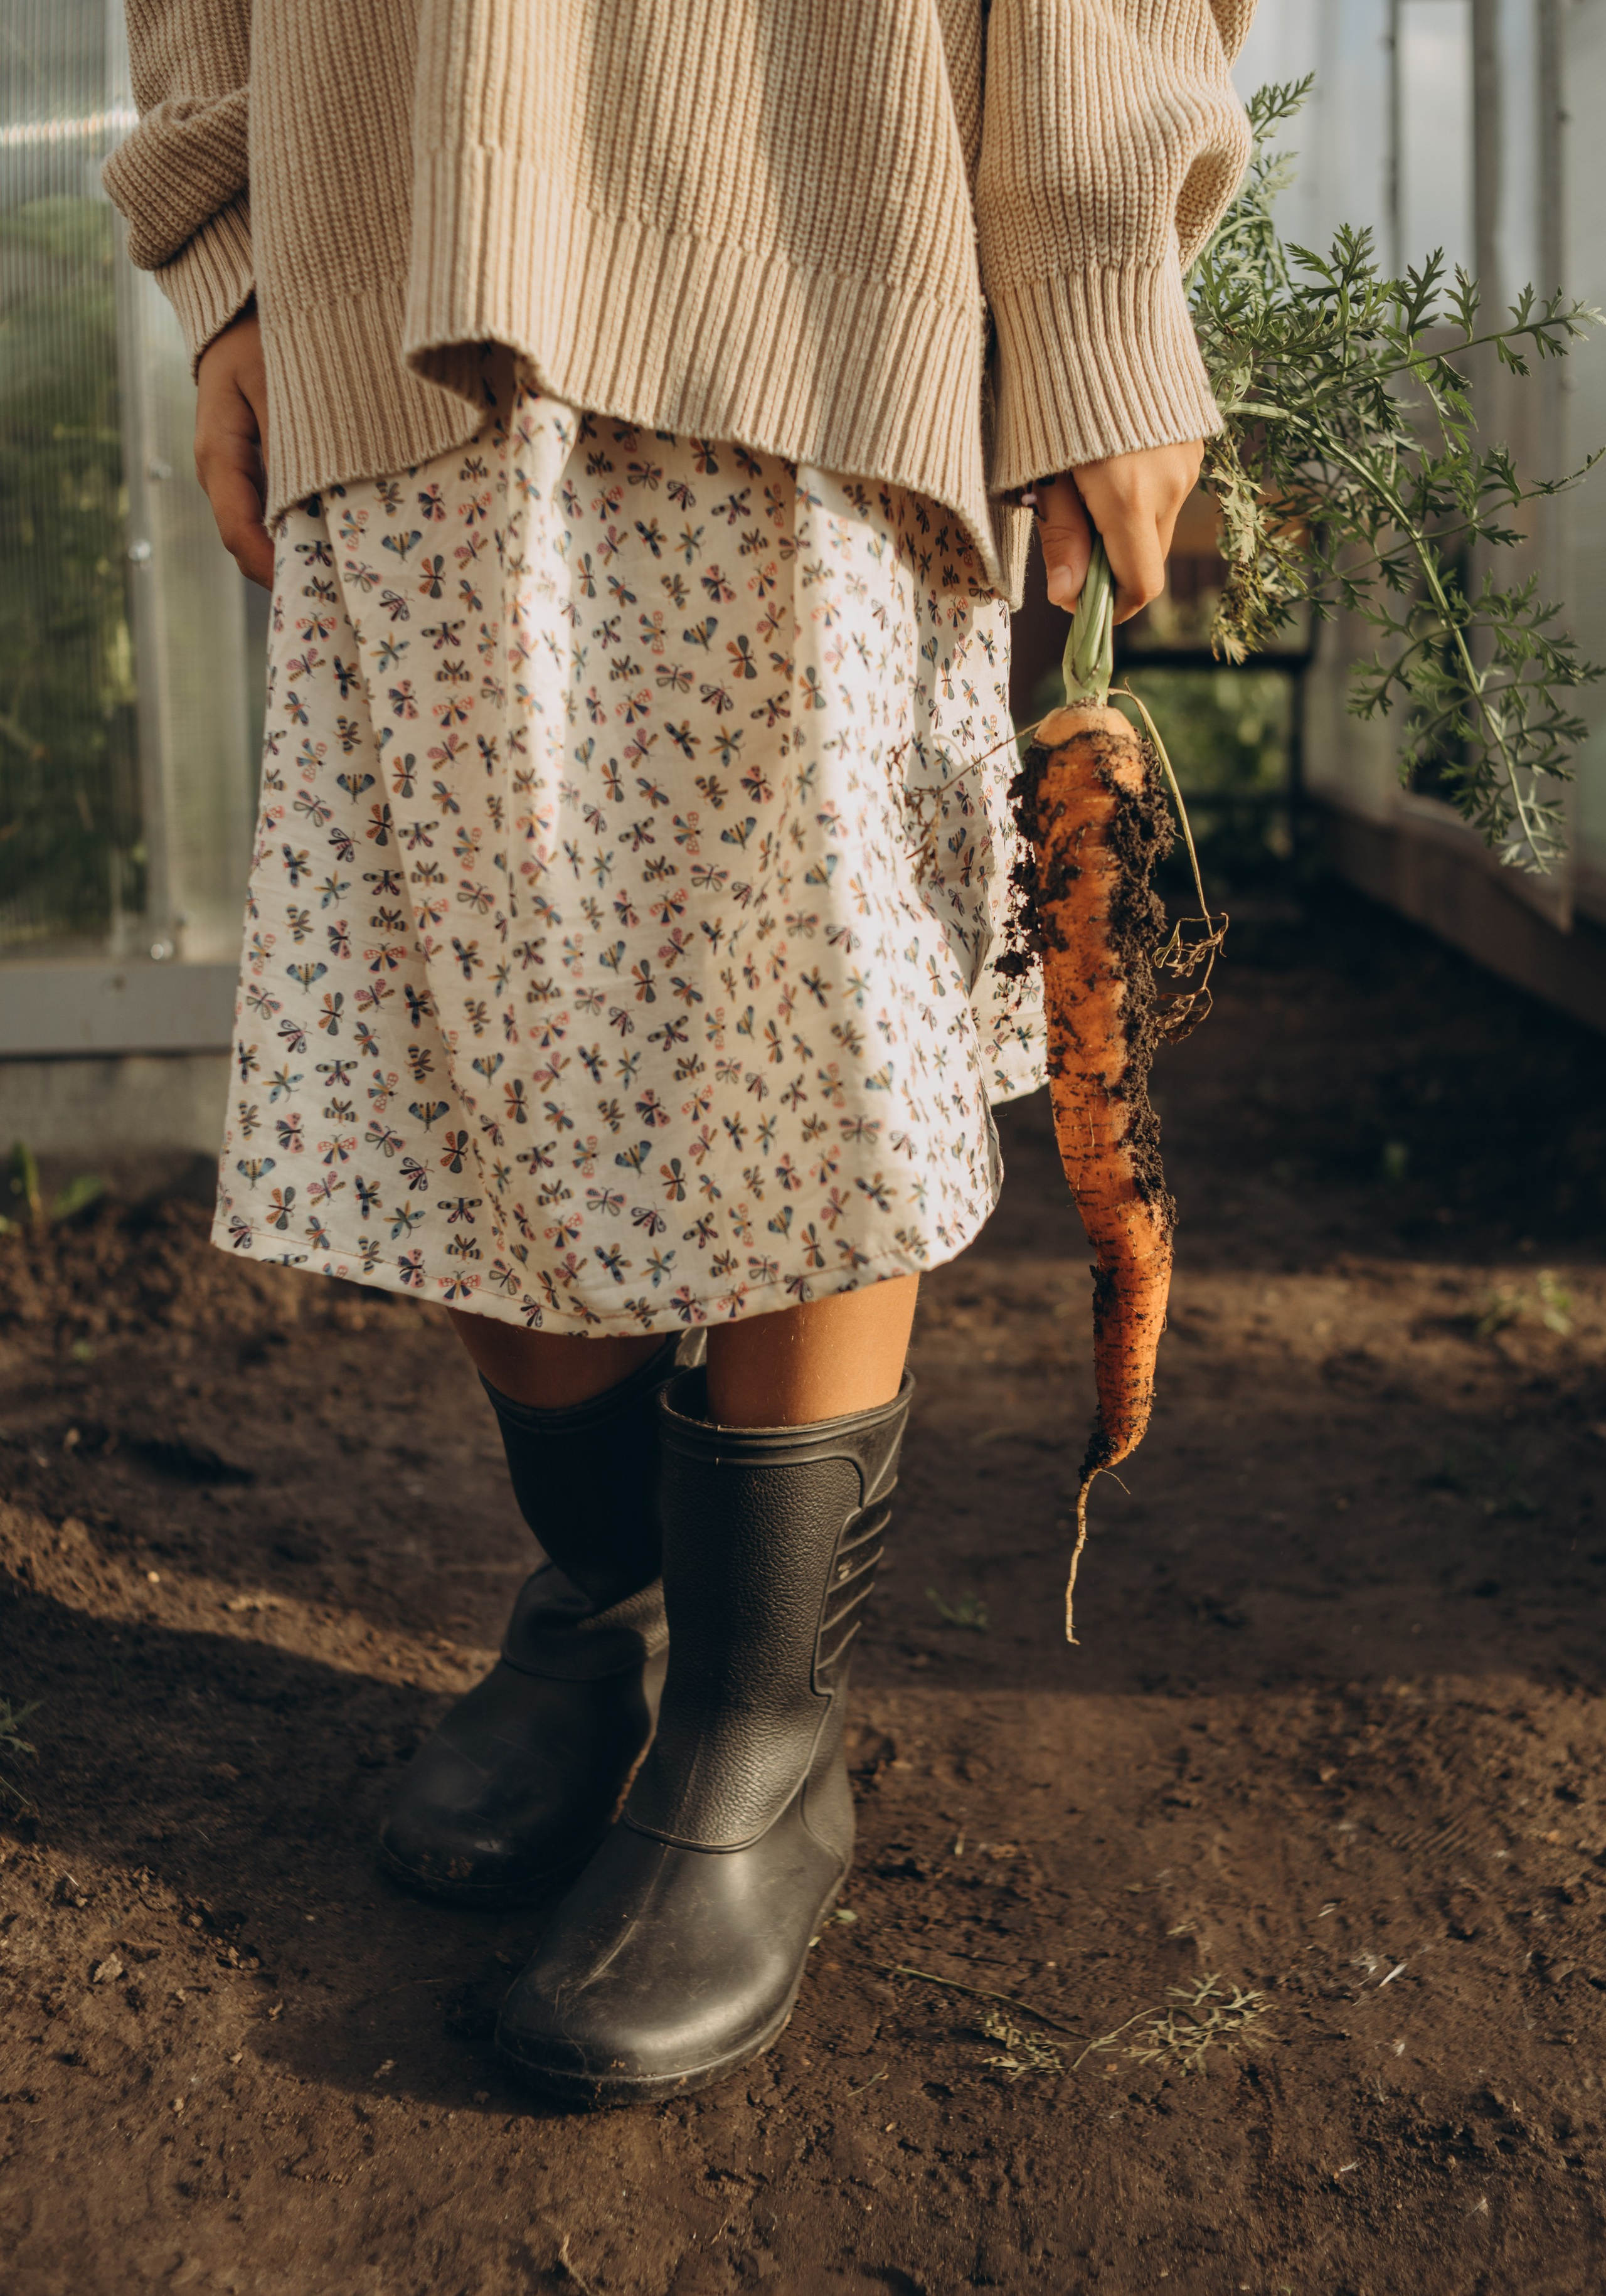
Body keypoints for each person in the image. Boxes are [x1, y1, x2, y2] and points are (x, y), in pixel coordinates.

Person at [107, 0, 1253, 2105]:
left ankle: (753, 1725)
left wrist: (1098, 267)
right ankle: (614, 1594)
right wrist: (234, 244)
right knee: (464, 1016)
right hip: (396, 224)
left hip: (813, 218)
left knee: (803, 991)